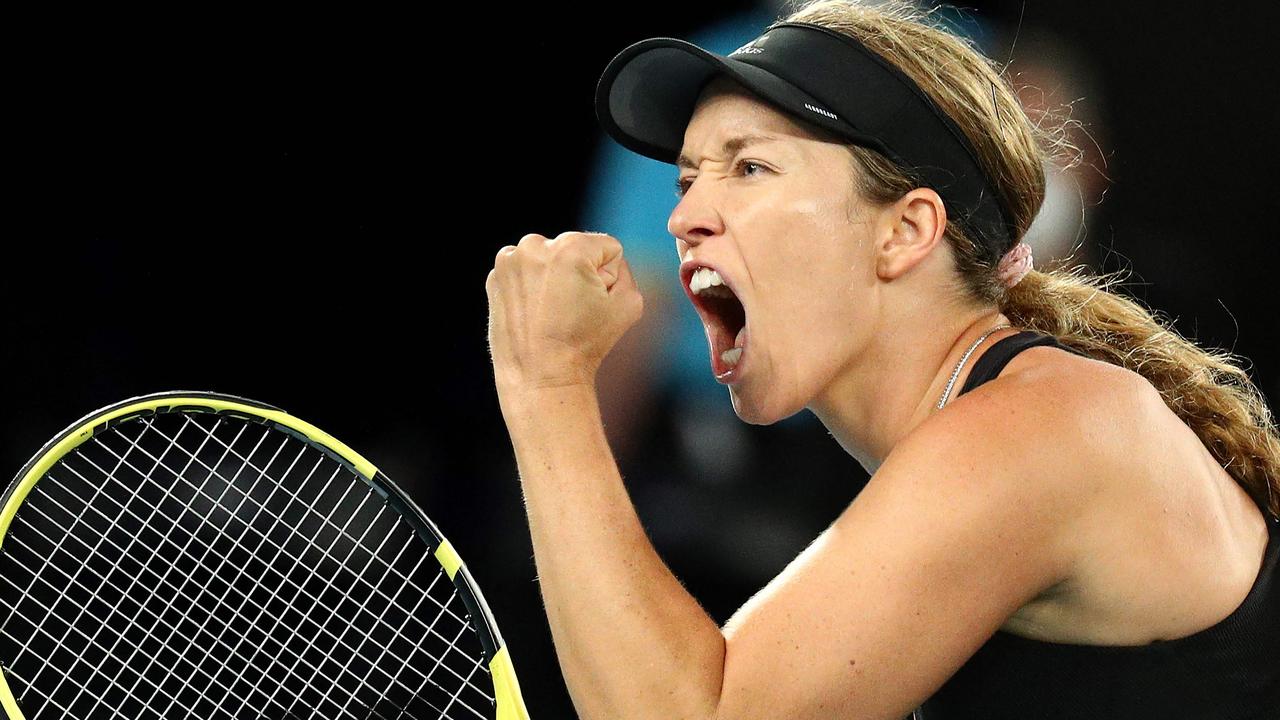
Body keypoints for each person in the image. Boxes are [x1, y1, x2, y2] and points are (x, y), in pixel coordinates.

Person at [483, 1, 1280, 717]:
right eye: (688, 178)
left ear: (903, 232)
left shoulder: (1040, 430)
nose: (684, 214)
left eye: (749, 167)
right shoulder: (1006, 421)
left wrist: (548, 383)